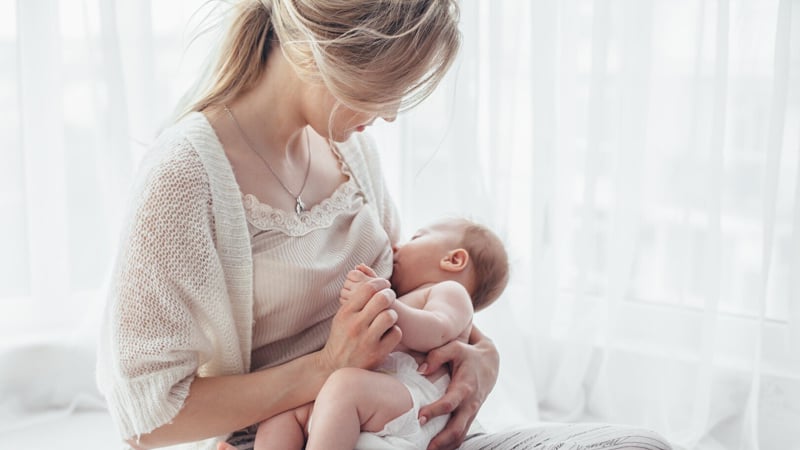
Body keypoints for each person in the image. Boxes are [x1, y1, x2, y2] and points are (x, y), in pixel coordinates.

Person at [96, 1, 674, 449]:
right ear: (334, 54)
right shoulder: (184, 179)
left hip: (393, 428)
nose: (393, 112)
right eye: (390, 87)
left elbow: (410, 293)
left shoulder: (351, 153)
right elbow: (146, 419)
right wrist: (325, 371)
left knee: (638, 445)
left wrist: (481, 356)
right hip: (285, 437)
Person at [227, 217, 509, 450]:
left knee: (344, 386)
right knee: (282, 413)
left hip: (417, 400)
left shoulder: (451, 293)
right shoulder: (411, 295)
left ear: (454, 259)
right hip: (382, 396)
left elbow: (435, 331)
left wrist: (384, 303)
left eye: (415, 237)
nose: (397, 247)